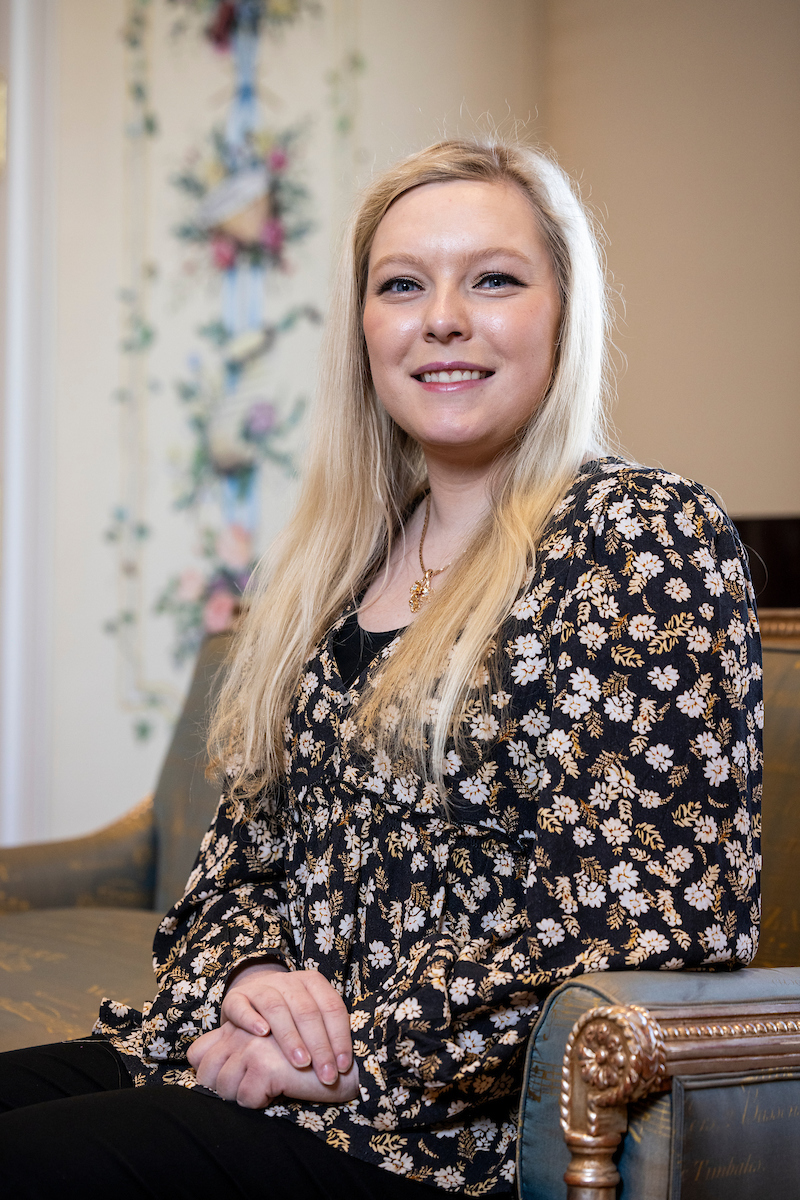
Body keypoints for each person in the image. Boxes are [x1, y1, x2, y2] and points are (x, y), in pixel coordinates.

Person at [0, 139, 761, 1198]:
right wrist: (252, 981)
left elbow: (655, 919)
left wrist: (348, 1046)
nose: (440, 316)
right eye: (401, 284)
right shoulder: (342, 558)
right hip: (250, 1077)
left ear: (562, 311)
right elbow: (233, 872)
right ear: (364, 329)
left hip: (435, 1142)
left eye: (492, 278)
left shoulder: (639, 534)